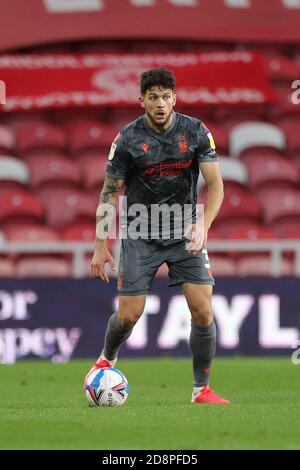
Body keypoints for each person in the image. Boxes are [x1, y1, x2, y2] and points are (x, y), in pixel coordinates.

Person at [85, 67, 230, 404]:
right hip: (140, 232)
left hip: (184, 231)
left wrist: (204, 224)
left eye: (166, 96)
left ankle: (201, 390)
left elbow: (216, 184)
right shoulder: (127, 138)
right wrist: (100, 245)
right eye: (153, 97)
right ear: (142, 101)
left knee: (203, 311)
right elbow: (109, 192)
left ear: (175, 98)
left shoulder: (195, 131)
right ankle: (106, 358)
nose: (161, 103)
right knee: (129, 315)